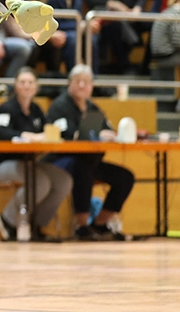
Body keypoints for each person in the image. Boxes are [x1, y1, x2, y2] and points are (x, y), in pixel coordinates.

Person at [0, 68, 72, 240]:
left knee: (63, 181)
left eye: (30, 82)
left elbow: (48, 130)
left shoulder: (37, 110)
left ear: (36, 87)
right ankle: (7, 219)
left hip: (27, 163)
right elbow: (0, 132)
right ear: (15, 86)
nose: (27, 86)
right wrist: (25, 136)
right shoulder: (6, 109)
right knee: (41, 181)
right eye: (22, 82)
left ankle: (37, 225)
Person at [47, 66, 135, 240]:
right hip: (62, 161)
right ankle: (81, 225)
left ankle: (100, 224)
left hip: (90, 160)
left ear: (92, 86)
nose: (82, 85)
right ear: (69, 84)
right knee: (82, 169)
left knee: (125, 177)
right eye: (77, 81)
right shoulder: (59, 106)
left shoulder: (94, 108)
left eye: (86, 82)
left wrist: (112, 136)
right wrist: (96, 136)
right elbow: (67, 134)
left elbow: (108, 130)